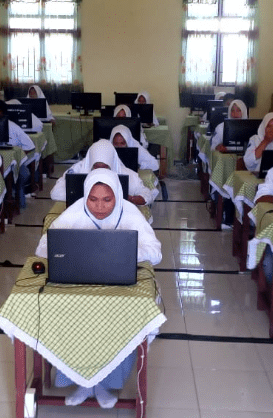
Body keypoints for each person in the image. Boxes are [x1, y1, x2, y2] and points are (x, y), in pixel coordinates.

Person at [35, 168, 162, 408]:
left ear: (117, 195)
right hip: (79, 284)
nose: (99, 207)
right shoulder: (76, 210)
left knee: (119, 320)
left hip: (120, 286)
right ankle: (83, 382)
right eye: (92, 199)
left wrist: (120, 252)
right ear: (85, 196)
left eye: (107, 199)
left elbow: (156, 252)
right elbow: (43, 247)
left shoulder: (130, 212)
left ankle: (102, 383)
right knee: (67, 318)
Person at [50, 140, 156, 206]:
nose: (100, 171)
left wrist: (131, 198)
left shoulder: (126, 174)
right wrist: (90, 197)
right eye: (96, 167)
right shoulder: (79, 169)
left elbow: (147, 194)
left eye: (105, 168)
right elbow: (55, 193)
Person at [0, 99, 36, 207]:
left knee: (20, 174)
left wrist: (18, 157)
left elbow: (30, 146)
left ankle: (13, 204)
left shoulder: (13, 127)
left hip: (14, 163)